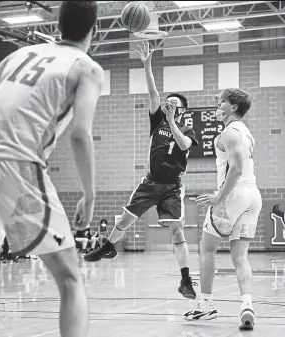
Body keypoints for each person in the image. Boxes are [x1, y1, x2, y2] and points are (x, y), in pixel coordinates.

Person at [0, 2, 103, 337]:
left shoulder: (21, 55)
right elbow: (81, 135)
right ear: (93, 32)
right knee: (70, 277)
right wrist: (90, 194)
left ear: (57, 27)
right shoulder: (87, 68)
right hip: (18, 167)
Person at [84, 42, 199, 300]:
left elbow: (183, 145)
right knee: (124, 220)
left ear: (182, 110)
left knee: (178, 232)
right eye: (166, 103)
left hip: (172, 187)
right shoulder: (157, 120)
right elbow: (152, 92)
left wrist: (172, 121)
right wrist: (146, 64)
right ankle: (108, 247)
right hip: (151, 182)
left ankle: (185, 280)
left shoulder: (188, 131)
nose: (167, 105)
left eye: (173, 104)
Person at [182, 89, 262, 331]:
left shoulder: (230, 131)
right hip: (253, 197)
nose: (218, 105)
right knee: (240, 257)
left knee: (207, 249)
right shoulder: (247, 133)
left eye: (222, 102)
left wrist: (219, 196)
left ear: (234, 107)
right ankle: (246, 306)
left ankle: (205, 305)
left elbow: (236, 169)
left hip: (233, 195)